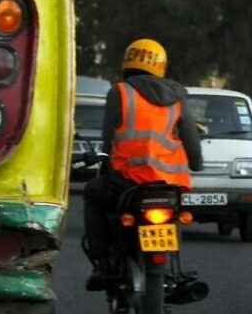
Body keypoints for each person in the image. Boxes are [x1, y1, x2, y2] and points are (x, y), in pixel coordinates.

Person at [84, 38, 203, 290]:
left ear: (128, 63)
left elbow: (109, 138)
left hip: (128, 182)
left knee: (93, 194)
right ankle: (172, 270)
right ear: (161, 65)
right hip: (169, 185)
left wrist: (104, 162)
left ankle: (102, 263)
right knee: (175, 214)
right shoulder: (179, 97)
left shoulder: (121, 92)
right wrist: (197, 163)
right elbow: (192, 143)